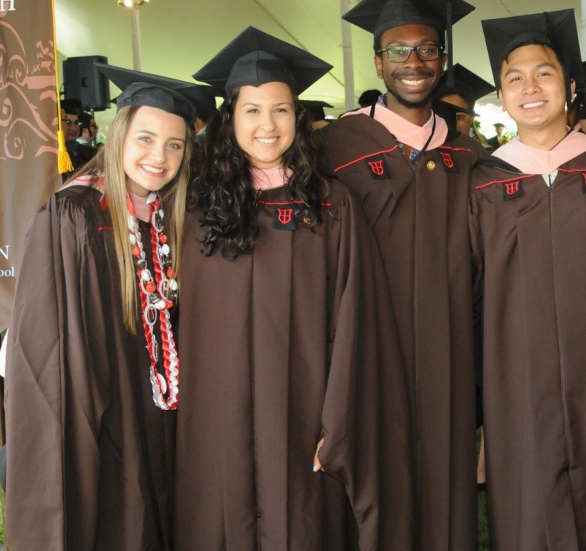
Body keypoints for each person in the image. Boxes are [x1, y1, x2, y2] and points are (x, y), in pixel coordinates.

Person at [176, 26, 413, 550]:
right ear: (229, 118)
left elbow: (356, 321)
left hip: (303, 416)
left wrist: (340, 422)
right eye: (252, 110)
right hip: (216, 418)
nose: (267, 125)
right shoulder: (195, 209)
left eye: (281, 110)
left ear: (298, 118)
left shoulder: (330, 206)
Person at [4, 64, 198, 550]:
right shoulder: (73, 213)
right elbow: (46, 336)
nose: (160, 155)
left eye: (175, 144)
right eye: (147, 138)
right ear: (117, 136)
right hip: (107, 409)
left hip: (168, 415)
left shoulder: (176, 214)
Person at [327, 2, 484, 550]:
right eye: (398, 50)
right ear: (377, 63)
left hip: (451, 362)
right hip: (366, 355)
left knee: (445, 498)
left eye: (427, 49)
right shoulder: (333, 149)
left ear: (442, 59)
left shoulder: (471, 156)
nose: (413, 61)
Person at [470, 10, 586, 550]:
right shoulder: (483, 181)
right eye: (514, 77)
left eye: (544, 73)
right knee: (529, 500)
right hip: (517, 377)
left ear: (569, 85)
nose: (529, 87)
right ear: (501, 93)